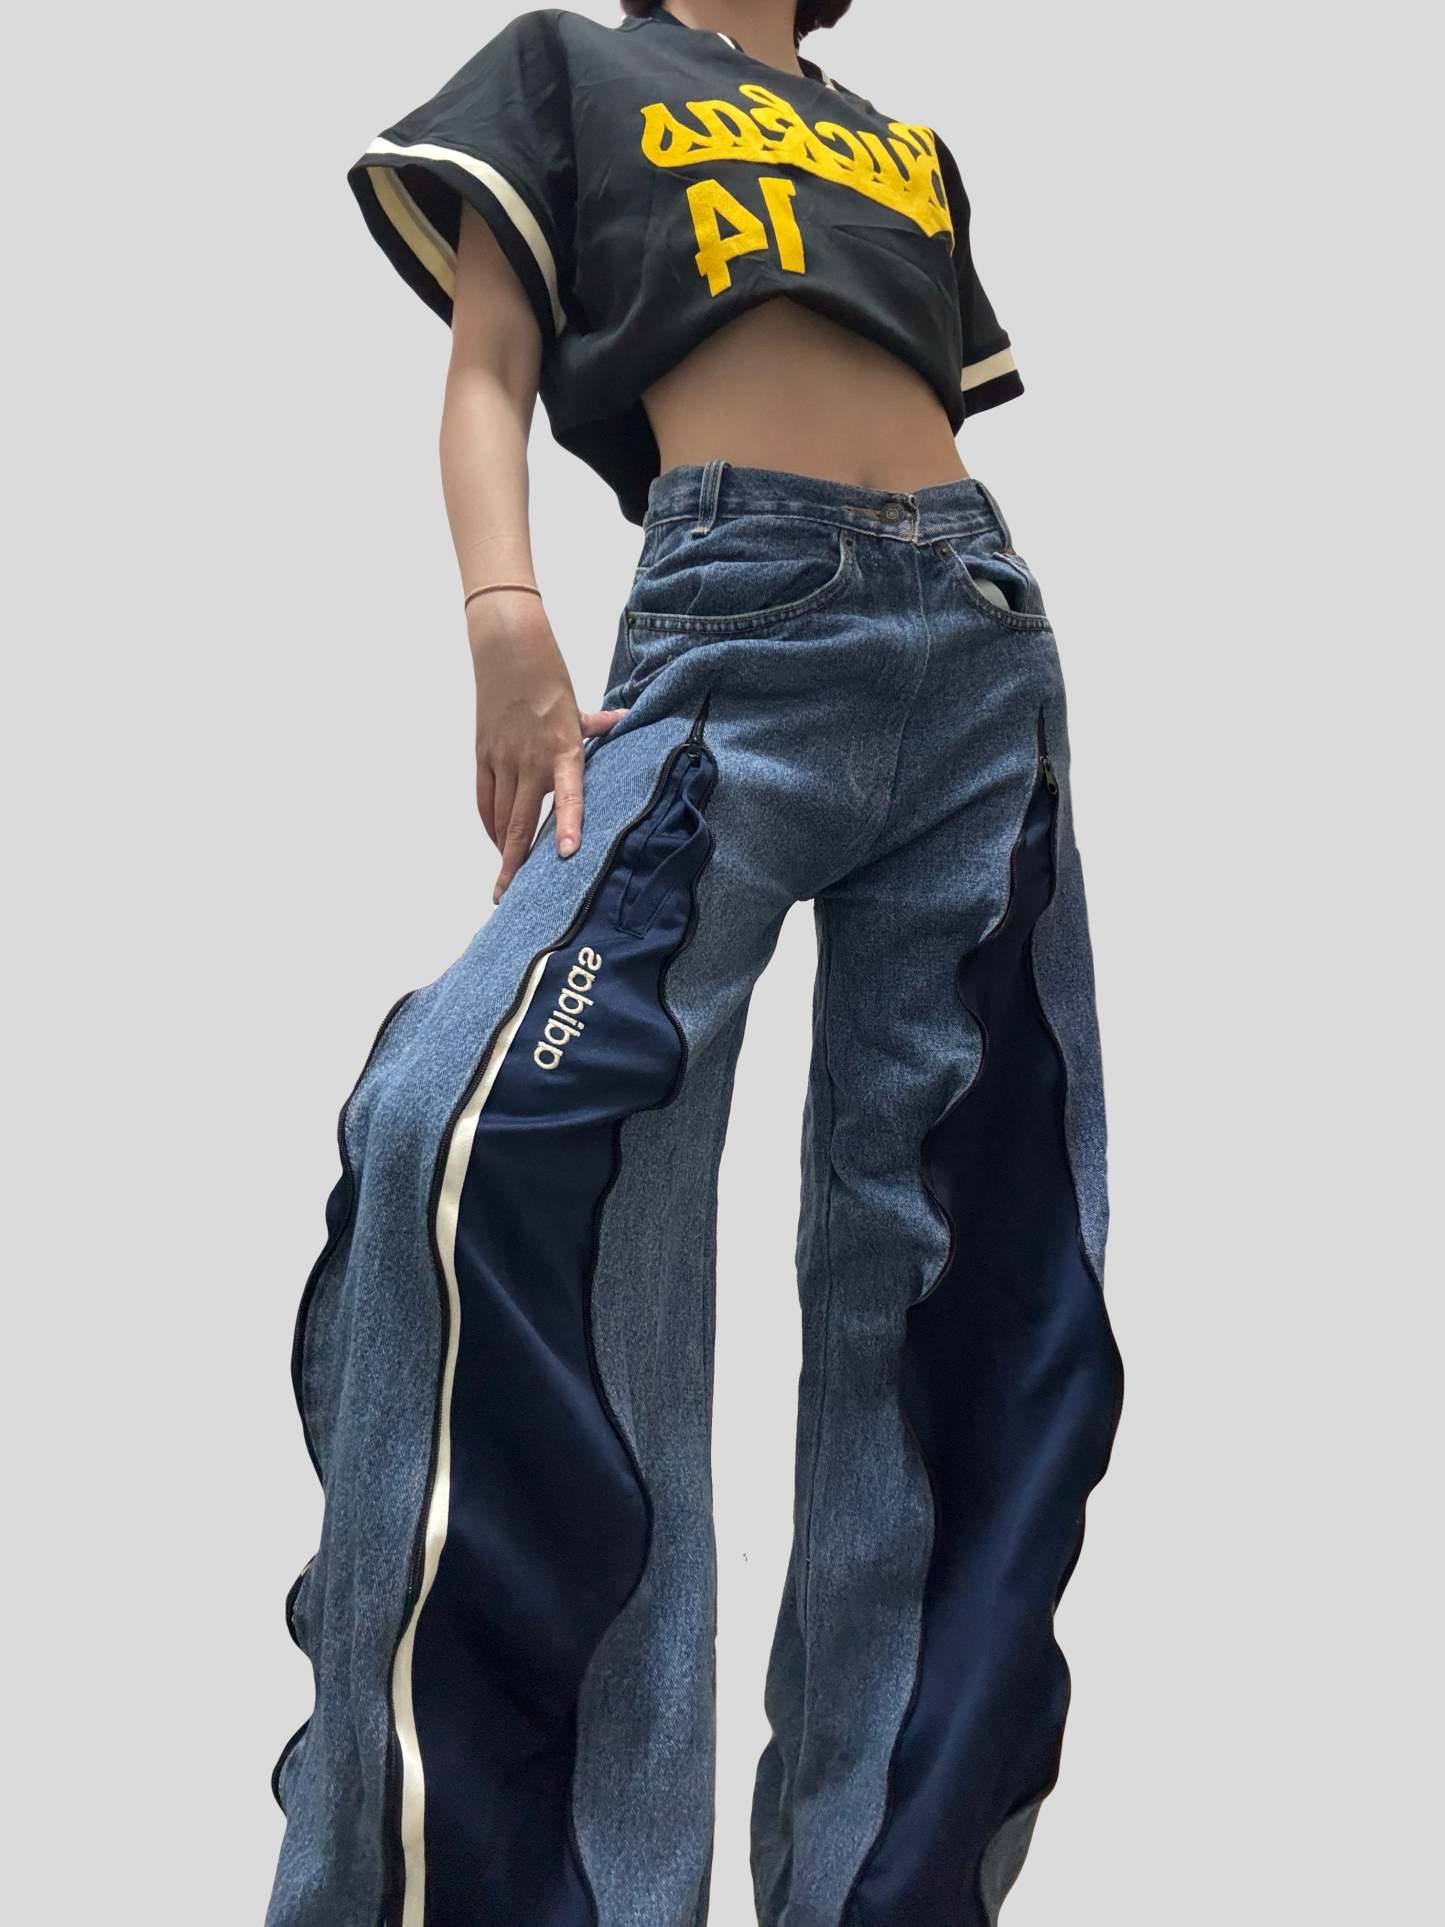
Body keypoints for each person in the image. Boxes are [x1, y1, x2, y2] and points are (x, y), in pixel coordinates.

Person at [264, 3, 1124, 1922]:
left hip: (983, 637)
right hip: (732, 621)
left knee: (960, 1277)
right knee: (473, 1140)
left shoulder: (901, 144)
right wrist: (505, 615)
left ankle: (885, 1888)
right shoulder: (571, 69)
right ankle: (540, 1882)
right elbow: (488, 364)